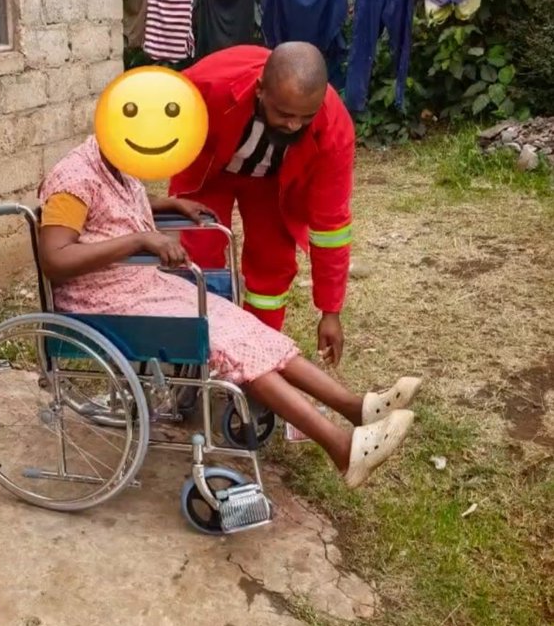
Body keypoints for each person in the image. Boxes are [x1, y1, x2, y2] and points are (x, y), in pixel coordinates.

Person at [38, 134, 422, 489]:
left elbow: (110, 213)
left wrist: (165, 206)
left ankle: (357, 408)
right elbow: (55, 259)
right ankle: (342, 449)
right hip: (106, 301)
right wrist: (140, 239)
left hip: (140, 286)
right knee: (229, 346)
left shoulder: (112, 162)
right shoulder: (73, 177)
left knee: (245, 328)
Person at [169, 42, 354, 365]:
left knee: (272, 265)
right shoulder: (205, 87)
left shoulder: (334, 129)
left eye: (305, 117)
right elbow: (153, 121)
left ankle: (258, 356)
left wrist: (330, 311)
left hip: (274, 184)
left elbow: (331, 227)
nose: (295, 125)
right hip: (210, 171)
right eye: (284, 113)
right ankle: (199, 354)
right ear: (260, 91)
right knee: (201, 256)